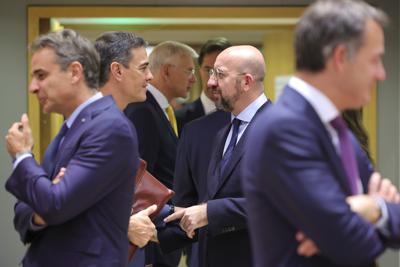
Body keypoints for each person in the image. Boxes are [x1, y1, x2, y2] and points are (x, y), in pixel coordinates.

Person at [243, 1, 400, 266]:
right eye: (374, 60)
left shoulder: (337, 131)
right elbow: (351, 242)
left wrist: (372, 209)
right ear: (340, 58)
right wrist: (378, 209)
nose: (381, 73)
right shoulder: (285, 130)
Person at [5, 29, 139, 267]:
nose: (33, 87)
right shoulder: (73, 126)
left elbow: (53, 204)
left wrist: (23, 156)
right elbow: (26, 209)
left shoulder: (109, 127)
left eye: (41, 75)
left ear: (75, 72)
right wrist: (41, 210)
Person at [162, 45, 270, 267]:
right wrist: (152, 228)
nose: (210, 83)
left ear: (247, 81)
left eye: (220, 75)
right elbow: (192, 203)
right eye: (210, 73)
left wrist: (211, 212)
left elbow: (281, 202)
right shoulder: (214, 130)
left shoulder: (283, 129)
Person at [124, 40, 197, 267]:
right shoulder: (143, 110)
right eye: (189, 71)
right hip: (149, 243)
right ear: (167, 71)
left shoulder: (160, 110)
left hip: (160, 236)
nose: (193, 79)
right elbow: (138, 184)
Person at [94, 31, 158, 266]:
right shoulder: (100, 124)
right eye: (143, 68)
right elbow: (67, 203)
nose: (150, 77)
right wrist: (125, 226)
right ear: (117, 71)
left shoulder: (116, 121)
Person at [175, 37, 231, 135]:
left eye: (221, 71)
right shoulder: (179, 119)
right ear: (200, 70)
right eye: (208, 70)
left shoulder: (246, 118)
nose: (214, 79)